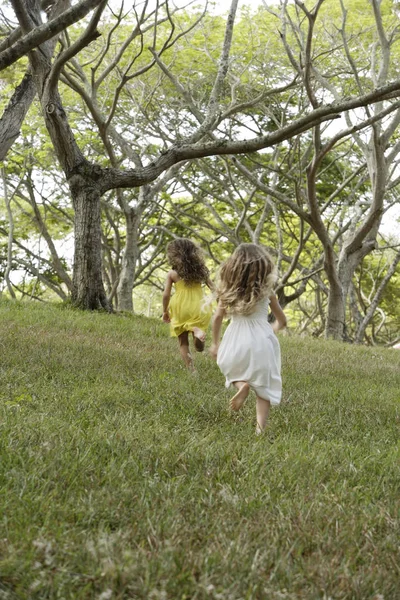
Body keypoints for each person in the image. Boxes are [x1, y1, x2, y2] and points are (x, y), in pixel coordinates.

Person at [210, 243, 287, 434]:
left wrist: (215, 343)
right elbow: (282, 321)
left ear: (233, 267)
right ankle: (260, 429)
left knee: (229, 366)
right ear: (264, 267)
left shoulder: (228, 291)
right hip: (262, 340)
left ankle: (241, 385)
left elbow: (218, 318)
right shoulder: (267, 293)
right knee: (263, 387)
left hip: (236, 337)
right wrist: (271, 331)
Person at [163, 238, 213, 371]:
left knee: (183, 342)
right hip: (199, 305)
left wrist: (164, 311)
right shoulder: (201, 271)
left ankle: (192, 370)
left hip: (180, 307)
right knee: (199, 348)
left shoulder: (172, 274)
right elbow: (214, 288)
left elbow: (166, 295)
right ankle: (197, 334)